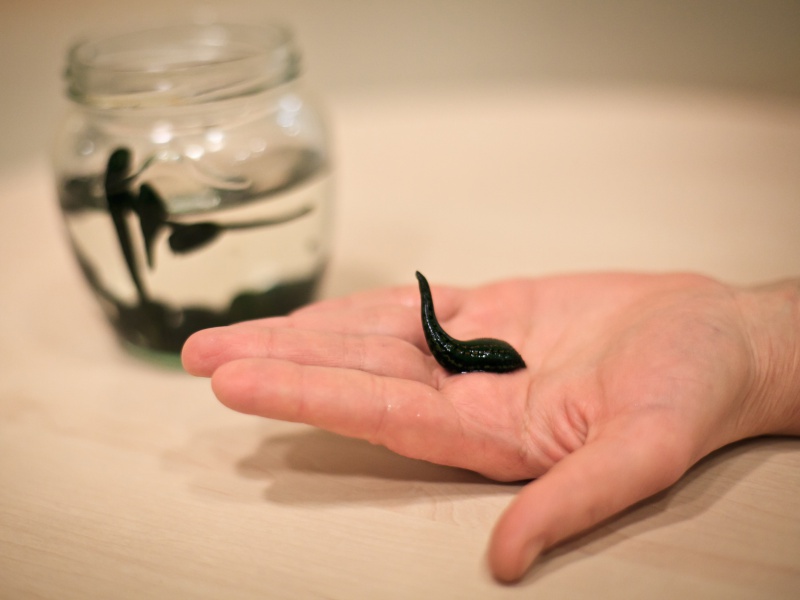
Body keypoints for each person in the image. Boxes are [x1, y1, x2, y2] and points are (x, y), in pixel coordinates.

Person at [181, 271, 800, 583]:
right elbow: (457, 348)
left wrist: (757, 344)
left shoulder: (496, 356)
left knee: (453, 345)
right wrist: (753, 334)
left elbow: (472, 351)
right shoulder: (478, 353)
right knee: (451, 344)